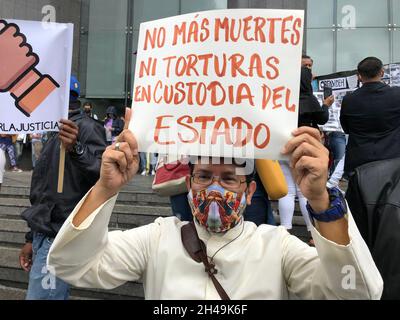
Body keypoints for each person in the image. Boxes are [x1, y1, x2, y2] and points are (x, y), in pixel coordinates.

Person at [47, 112, 383, 299]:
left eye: (229, 179)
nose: (215, 189)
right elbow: (71, 265)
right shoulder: (157, 238)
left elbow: (359, 292)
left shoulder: (276, 246)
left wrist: (321, 199)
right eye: (204, 176)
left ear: (249, 192)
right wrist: (105, 189)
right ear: (189, 186)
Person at [19, 76, 107, 300]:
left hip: (61, 233)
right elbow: (43, 191)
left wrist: (75, 148)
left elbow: (103, 172)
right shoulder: (51, 129)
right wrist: (31, 237)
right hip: (44, 231)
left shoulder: (87, 127)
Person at [279, 67, 333, 245]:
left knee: (287, 191)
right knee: (304, 192)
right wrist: (326, 104)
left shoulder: (283, 98)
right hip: (307, 148)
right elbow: (323, 118)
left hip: (284, 147)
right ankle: (313, 233)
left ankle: (285, 231)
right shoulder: (310, 99)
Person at [340, 56, 400, 177]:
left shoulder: (349, 99)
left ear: (359, 76)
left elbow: (346, 128)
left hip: (359, 161)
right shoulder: (397, 94)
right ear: (382, 72)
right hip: (392, 159)